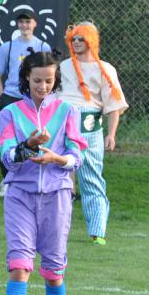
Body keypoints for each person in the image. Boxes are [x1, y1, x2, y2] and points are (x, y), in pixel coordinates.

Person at [0, 51, 87, 295]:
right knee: (19, 266)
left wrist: (57, 158)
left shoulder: (68, 111)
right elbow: (8, 157)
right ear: (26, 78)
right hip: (20, 195)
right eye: (37, 80)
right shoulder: (9, 113)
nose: (43, 86)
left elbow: (76, 156)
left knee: (53, 272)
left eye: (48, 80)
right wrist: (28, 146)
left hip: (57, 197)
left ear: (55, 80)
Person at [59, 22, 128, 246]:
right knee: (60, 178)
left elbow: (113, 104)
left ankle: (97, 231)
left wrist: (111, 134)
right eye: (74, 38)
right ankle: (57, 228)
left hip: (89, 128)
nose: (77, 42)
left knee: (91, 179)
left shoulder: (105, 69)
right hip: (63, 124)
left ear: (91, 40)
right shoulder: (63, 67)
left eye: (81, 38)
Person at [0, 7, 52, 197]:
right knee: (3, 138)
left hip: (33, 99)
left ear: (35, 24)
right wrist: (2, 96)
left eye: (28, 22)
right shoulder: (7, 47)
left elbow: (49, 75)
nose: (25, 25)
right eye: (21, 22)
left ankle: (31, 179)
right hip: (10, 97)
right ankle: (7, 179)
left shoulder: (43, 47)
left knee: (33, 137)